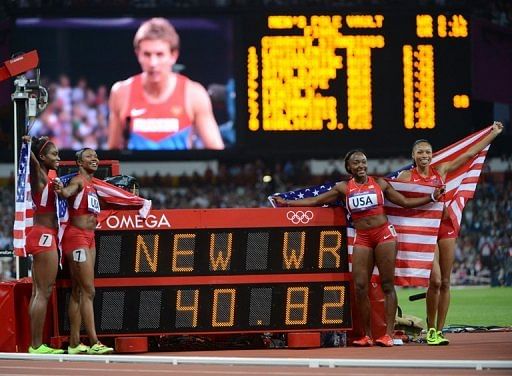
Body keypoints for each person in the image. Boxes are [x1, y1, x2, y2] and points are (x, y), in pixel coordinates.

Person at [273, 150, 444, 347]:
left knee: (387, 285)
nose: (361, 165)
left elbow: (404, 202)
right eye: (356, 163)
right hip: (363, 237)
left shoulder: (379, 183)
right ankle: (367, 335)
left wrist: (431, 196)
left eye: (363, 162)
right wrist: (287, 203)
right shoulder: (344, 188)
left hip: (384, 235)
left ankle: (388, 334)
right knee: (360, 287)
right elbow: (316, 201)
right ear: (349, 168)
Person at [397, 121, 503, 346]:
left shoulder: (441, 170)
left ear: (432, 154)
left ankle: (437, 330)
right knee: (434, 281)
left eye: (427, 151)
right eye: (420, 152)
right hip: (424, 230)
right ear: (413, 155)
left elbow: (470, 154)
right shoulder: (406, 177)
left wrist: (492, 133)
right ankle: (430, 324)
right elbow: (397, 202)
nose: (424, 155)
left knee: (445, 281)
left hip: (445, 227)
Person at [108, 17, 225, 150]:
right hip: (134, 170)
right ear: (138, 55)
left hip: (181, 170)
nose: (153, 63)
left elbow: (216, 151)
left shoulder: (194, 94)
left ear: (173, 56)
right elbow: (113, 151)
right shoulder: (121, 93)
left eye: (159, 54)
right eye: (147, 54)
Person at [54, 148, 114, 355]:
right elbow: (67, 192)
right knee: (89, 290)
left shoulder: (94, 186)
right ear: (79, 162)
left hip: (90, 238)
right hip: (76, 237)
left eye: (96, 156)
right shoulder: (78, 181)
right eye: (89, 156)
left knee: (79, 291)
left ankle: (73, 343)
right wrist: (61, 191)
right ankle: (94, 341)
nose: (95, 159)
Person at [23, 136, 65, 354]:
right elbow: (32, 162)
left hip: (43, 235)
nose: (58, 158)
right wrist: (27, 145)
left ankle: (36, 344)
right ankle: (36, 345)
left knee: (38, 291)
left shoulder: (49, 178)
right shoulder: (39, 174)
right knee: (43, 291)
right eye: (54, 154)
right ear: (42, 157)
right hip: (43, 236)